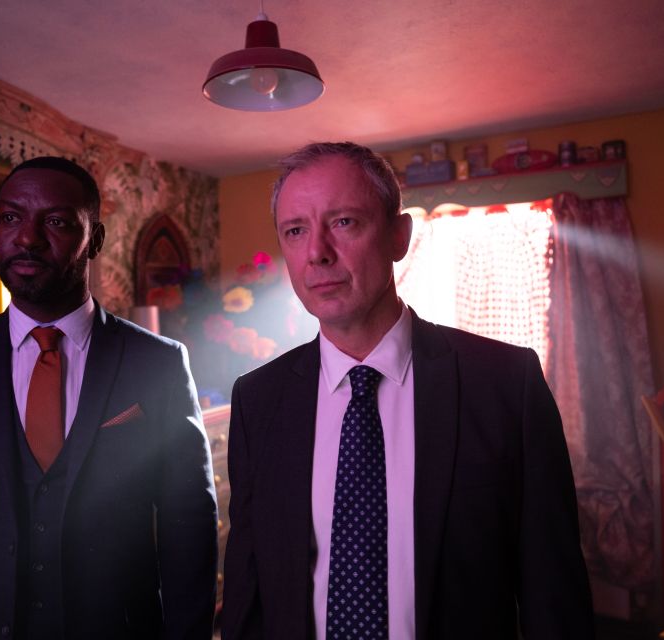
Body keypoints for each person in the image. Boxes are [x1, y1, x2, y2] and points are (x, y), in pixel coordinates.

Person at [221, 142, 593, 639]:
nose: (317, 252)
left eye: (344, 222)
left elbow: (556, 597)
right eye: (295, 231)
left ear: (400, 237)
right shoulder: (257, 400)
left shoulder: (506, 384)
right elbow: (249, 593)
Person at [0, 157, 218, 639]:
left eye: (56, 222)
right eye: (11, 218)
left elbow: (189, 525)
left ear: (94, 240)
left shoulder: (156, 363)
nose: (27, 238)